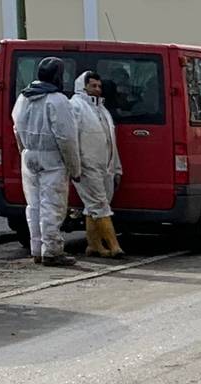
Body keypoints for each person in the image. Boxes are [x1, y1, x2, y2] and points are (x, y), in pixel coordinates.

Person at [13, 58, 84, 266]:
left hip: (29, 155)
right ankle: (52, 250)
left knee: (33, 205)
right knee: (52, 205)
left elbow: (16, 128)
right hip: (52, 157)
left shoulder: (23, 98)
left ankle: (37, 249)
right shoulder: (57, 100)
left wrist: (23, 151)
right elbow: (67, 138)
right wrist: (74, 168)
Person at [72, 70, 125, 259]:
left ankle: (94, 245)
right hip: (87, 166)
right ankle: (114, 246)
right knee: (100, 205)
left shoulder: (102, 110)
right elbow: (71, 140)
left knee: (94, 207)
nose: (97, 89)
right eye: (93, 85)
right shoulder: (76, 107)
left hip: (106, 166)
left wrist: (116, 168)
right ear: (83, 86)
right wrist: (75, 166)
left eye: (99, 86)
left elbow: (111, 141)